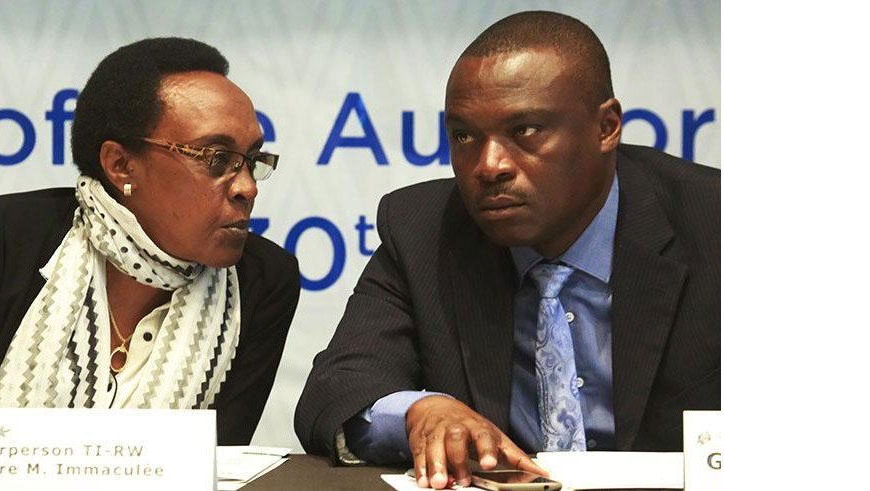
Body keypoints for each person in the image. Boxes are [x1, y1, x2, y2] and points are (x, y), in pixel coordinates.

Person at [294, 10, 719, 489]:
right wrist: (420, 411)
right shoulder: (423, 230)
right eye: (464, 136)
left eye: (525, 131)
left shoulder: (718, 224)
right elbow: (336, 390)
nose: (489, 165)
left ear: (606, 127)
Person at [0, 37, 300, 452]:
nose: (248, 188)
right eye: (217, 158)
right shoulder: (1, 239)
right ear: (120, 164)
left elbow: (218, 463)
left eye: (252, 161)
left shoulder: (262, 281)